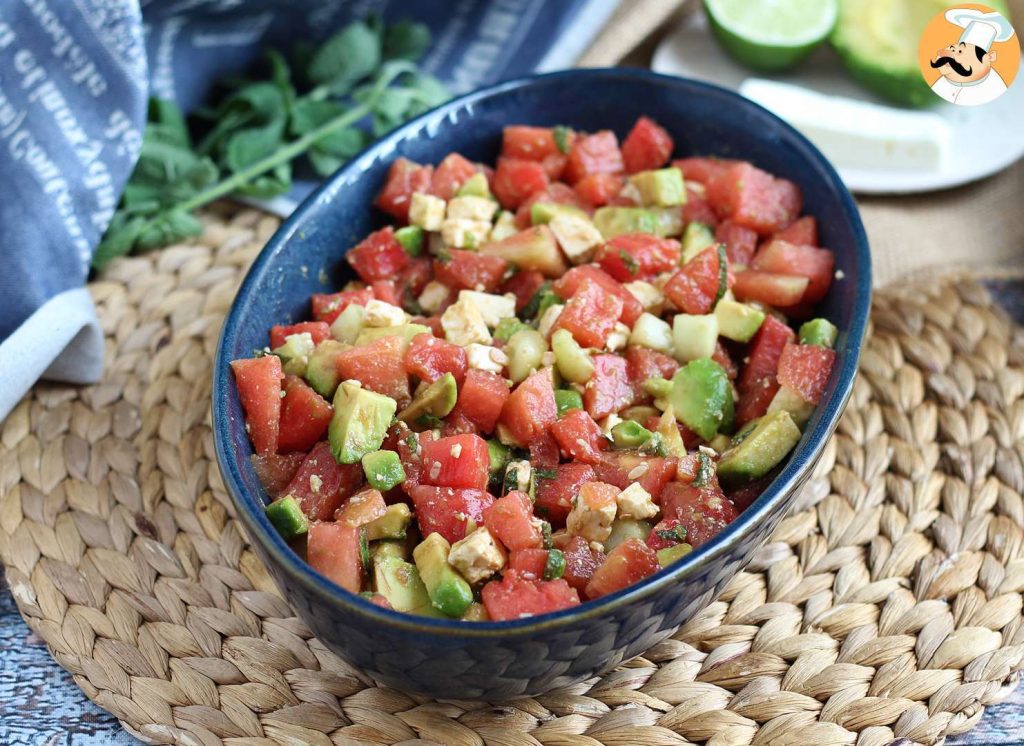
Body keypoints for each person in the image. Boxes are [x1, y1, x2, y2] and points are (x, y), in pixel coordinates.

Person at [930, 8, 1015, 106]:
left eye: (961, 52)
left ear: (988, 58)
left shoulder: (993, 88)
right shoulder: (942, 80)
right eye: (953, 49)